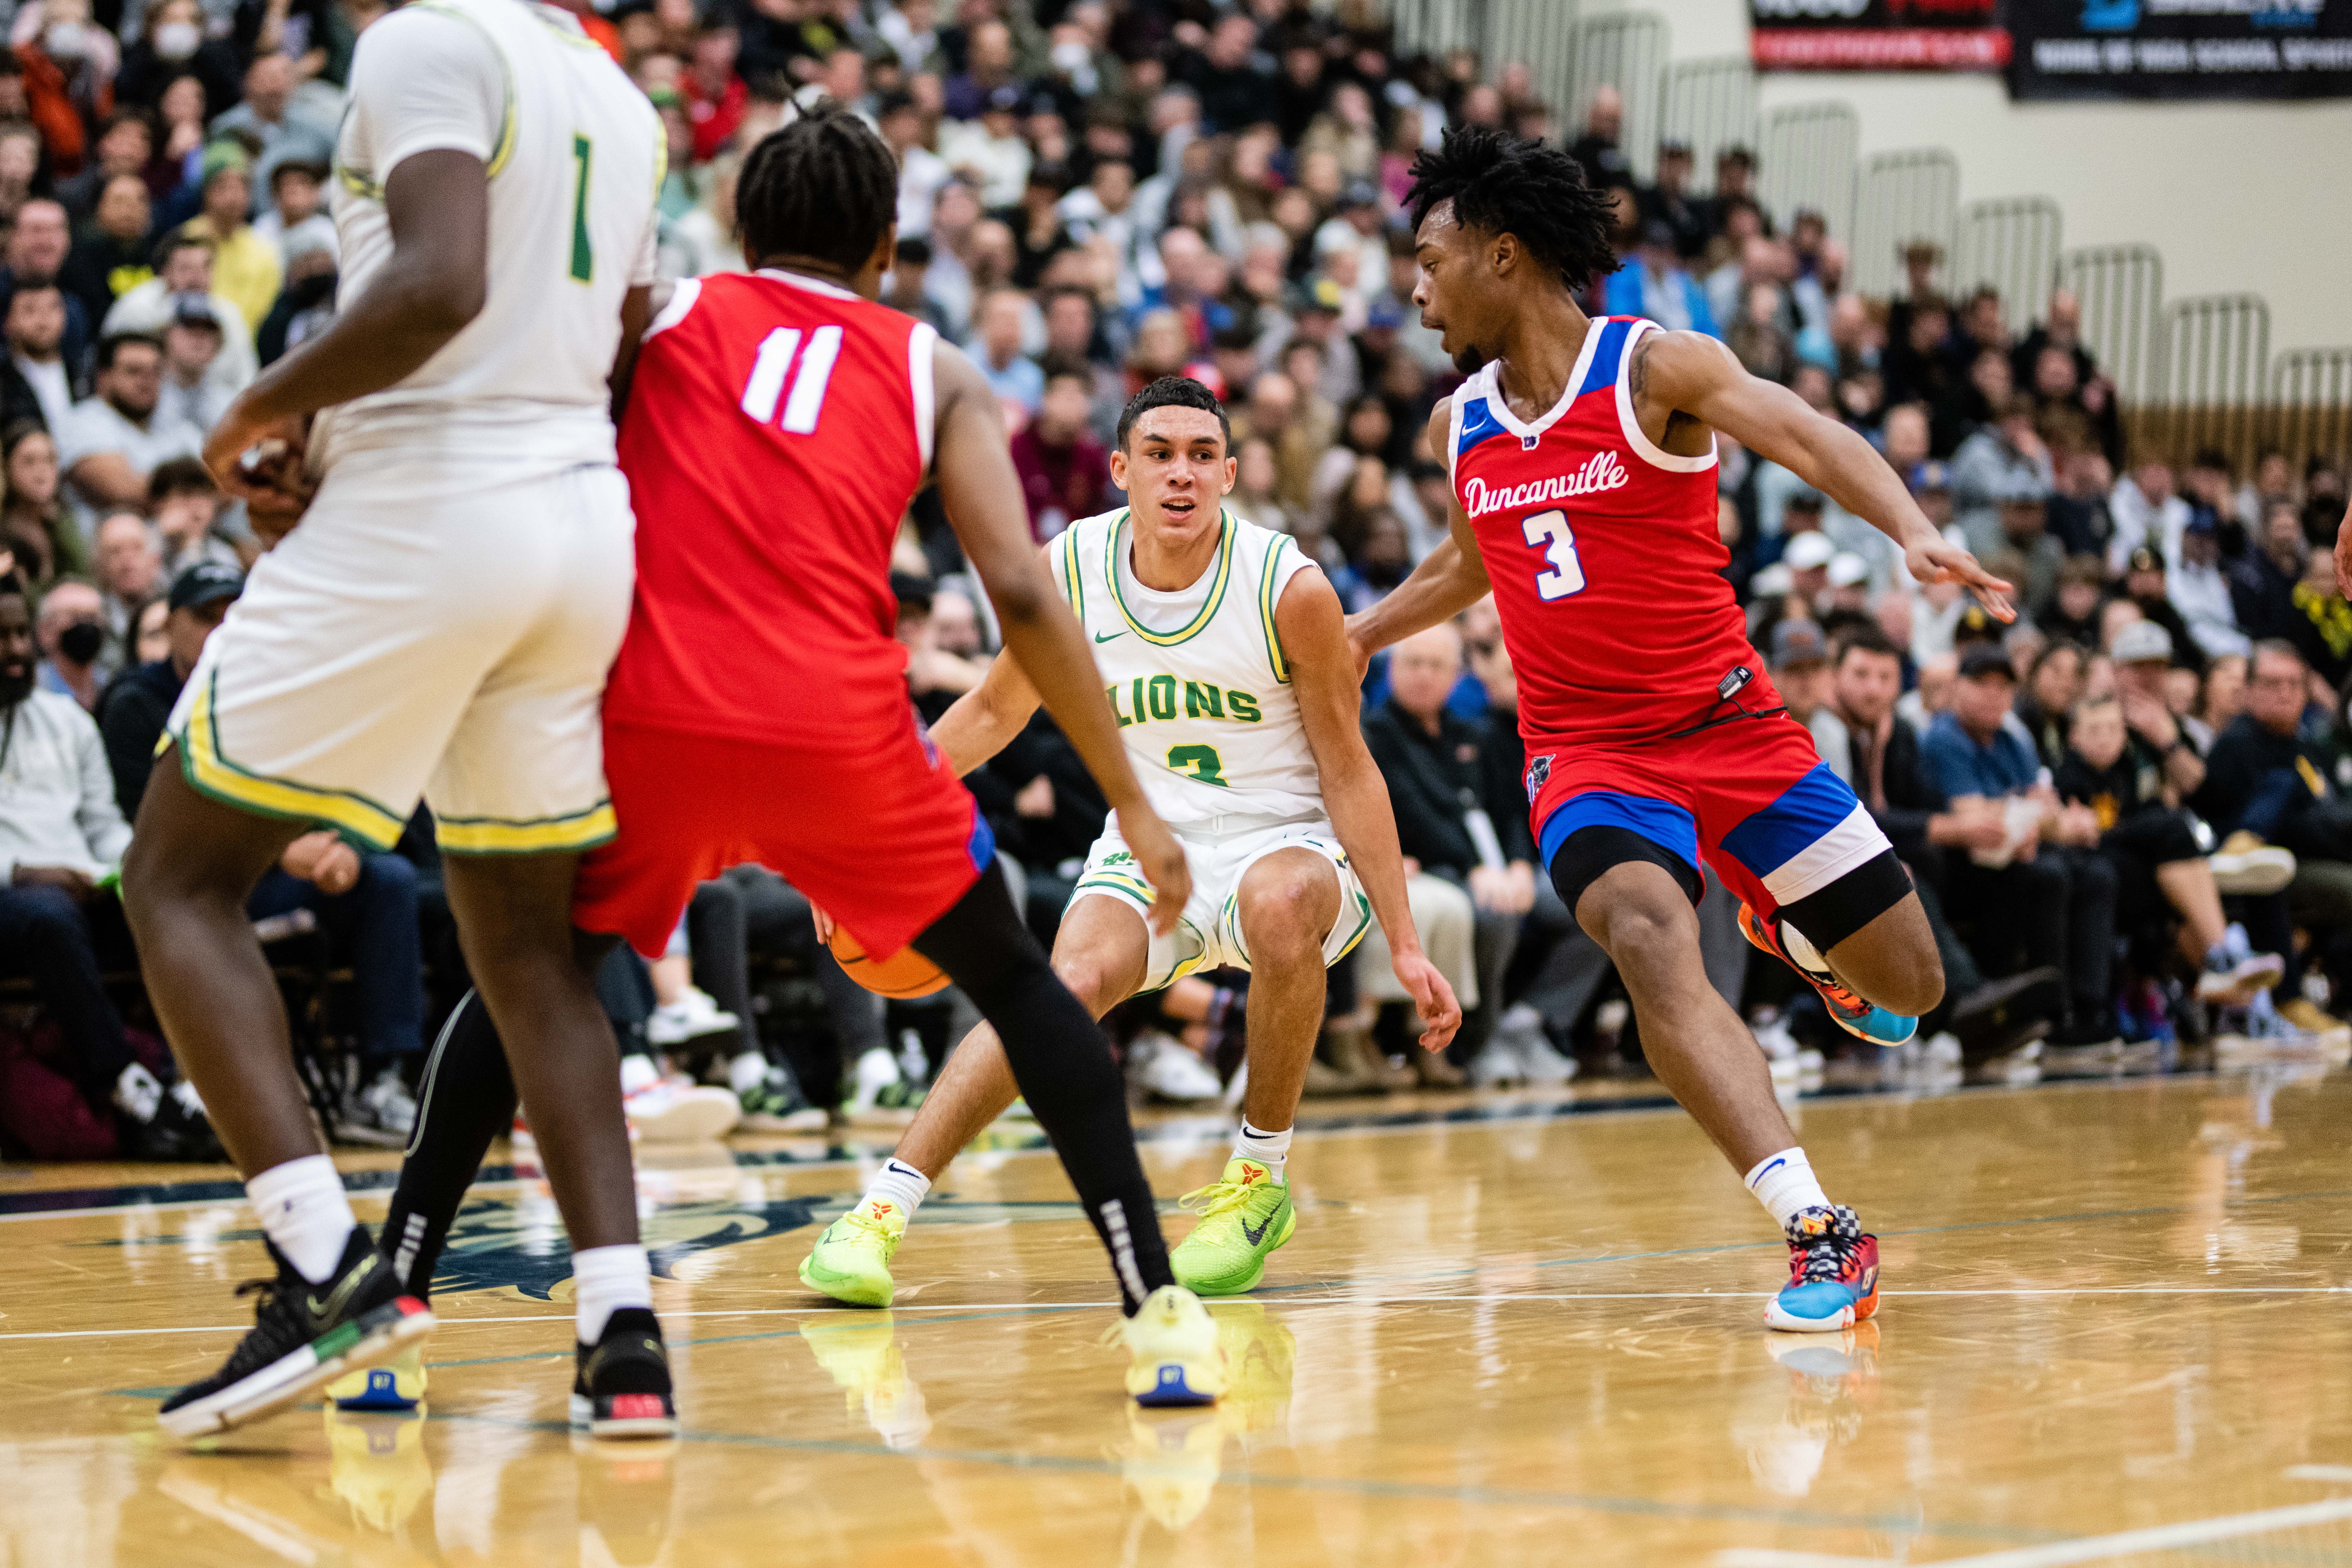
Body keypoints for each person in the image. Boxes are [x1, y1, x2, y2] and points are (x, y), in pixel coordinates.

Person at [372, 107, 1236, 1413]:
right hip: (841, 733)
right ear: (888, 248)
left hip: (650, 718)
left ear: (741, 226)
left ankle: (395, 1295)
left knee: (528, 979)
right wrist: (1133, 801)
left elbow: (504, 392)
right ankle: (1157, 1309)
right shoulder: (936, 370)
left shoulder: (657, 313)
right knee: (1018, 981)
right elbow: (1024, 591)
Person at [1345, 127, 2014, 1334]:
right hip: (1584, 756)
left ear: (1502, 257)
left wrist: (1904, 528)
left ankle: (1792, 936)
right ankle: (1818, 1229)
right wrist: (1361, 632)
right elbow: (1466, 562)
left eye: (1430, 260)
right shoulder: (1465, 425)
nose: (1413, 286)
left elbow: (1803, 434)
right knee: (1649, 934)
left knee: (1908, 988)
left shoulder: (1652, 368)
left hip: (1735, 729)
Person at [127, 0, 669, 1441]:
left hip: (433, 510)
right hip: (578, 523)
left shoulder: (424, 42)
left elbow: (435, 286)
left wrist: (259, 404)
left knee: (175, 872)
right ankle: (622, 1330)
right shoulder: (617, 98)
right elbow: (621, 332)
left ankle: (324, 1260)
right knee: (523, 944)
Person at [801, 374, 1458, 1307]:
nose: (1179, 475)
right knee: (1055, 993)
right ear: (1120, 470)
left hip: (1290, 838)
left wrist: (1400, 940)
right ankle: (880, 1211)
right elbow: (990, 713)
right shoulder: (1069, 567)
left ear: (1229, 475)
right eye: (1158, 455)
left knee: (1275, 908)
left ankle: (1255, 1181)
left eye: (1200, 457)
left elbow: (1349, 768)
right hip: (1153, 846)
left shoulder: (1287, 585)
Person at [99, 559, 428, 1144]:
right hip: (196, 883)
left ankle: (382, 1081)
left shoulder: (285, 688)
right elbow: (147, 826)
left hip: (289, 872)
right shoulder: (135, 702)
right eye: (205, 617)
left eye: (234, 614)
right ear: (170, 622)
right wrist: (283, 850)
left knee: (391, 878)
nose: (221, 628)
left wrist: (346, 848)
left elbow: (350, 780)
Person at [0, 573, 222, 1161]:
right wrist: (25, 870)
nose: (18, 649)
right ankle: (122, 1080)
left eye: (23, 633)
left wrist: (130, 867)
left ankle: (189, 1081)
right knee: (47, 914)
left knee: (167, 895)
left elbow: (103, 823)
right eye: (3, 637)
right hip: (19, 898)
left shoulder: (65, 719)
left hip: (79, 890)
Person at [1921, 643, 2121, 1053]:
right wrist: (2032, 811)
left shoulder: (2012, 737)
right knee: (2046, 875)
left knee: (2097, 872)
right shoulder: (1943, 737)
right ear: (1956, 688)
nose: (1993, 694)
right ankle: (2049, 1012)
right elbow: (1976, 817)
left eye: (2002, 686)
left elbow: (2045, 813)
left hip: (2010, 852)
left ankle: (2090, 1008)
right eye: (1981, 683)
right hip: (1954, 863)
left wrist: (2030, 813)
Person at [56, 332, 204, 535]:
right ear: (103, 377)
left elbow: (230, 483)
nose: (147, 381)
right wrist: (201, 493)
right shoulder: (84, 419)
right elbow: (121, 490)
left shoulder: (175, 425)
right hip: (112, 557)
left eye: (155, 372)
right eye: (134, 371)